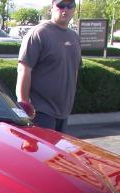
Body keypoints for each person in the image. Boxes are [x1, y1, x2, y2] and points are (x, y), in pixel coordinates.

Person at [15, 0, 81, 132]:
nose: (65, 9)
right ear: (52, 8)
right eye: (61, 5)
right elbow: (24, 69)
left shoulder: (74, 36)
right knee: (43, 147)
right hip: (40, 113)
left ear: (74, 9)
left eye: (70, 6)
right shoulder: (39, 33)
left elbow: (74, 70)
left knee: (59, 147)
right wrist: (24, 104)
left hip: (63, 113)